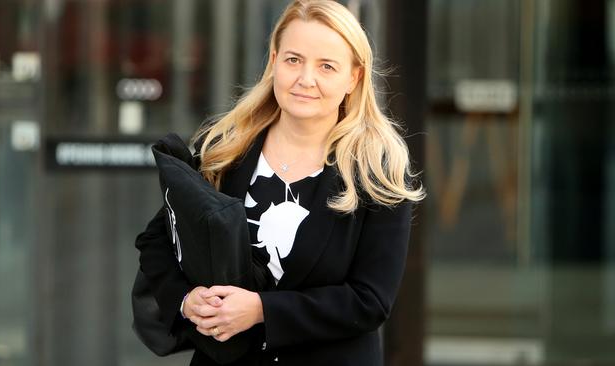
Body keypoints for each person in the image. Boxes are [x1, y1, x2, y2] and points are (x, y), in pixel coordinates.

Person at [135, 0, 424, 365]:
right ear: (273, 62)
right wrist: (185, 299)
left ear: (354, 77)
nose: (306, 79)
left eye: (326, 66)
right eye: (293, 60)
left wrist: (261, 310)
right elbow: (158, 240)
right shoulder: (224, 147)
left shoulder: (377, 171)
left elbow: (369, 301)